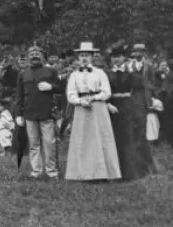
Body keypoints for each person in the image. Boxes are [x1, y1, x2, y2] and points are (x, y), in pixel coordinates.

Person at [64, 42, 121, 182]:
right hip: (82, 109)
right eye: (82, 55)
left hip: (98, 107)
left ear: (92, 57)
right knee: (83, 140)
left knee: (101, 138)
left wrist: (94, 98)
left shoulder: (100, 73)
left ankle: (103, 173)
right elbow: (70, 94)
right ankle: (83, 173)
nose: (84, 58)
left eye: (87, 55)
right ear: (78, 57)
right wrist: (80, 101)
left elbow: (107, 92)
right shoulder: (74, 75)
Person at [107, 43, 154, 181]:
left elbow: (141, 89)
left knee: (128, 138)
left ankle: (129, 171)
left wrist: (141, 106)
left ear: (124, 58)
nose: (116, 59)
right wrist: (107, 103)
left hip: (127, 107)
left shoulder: (131, 74)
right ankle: (113, 171)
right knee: (113, 137)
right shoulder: (106, 74)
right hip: (111, 107)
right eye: (113, 57)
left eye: (119, 56)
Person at [15, 46, 60, 179]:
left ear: (43, 56)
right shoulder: (23, 74)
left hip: (47, 112)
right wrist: (18, 114)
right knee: (33, 144)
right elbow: (19, 96)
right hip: (29, 113)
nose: (34, 56)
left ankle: (52, 171)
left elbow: (61, 87)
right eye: (31, 54)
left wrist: (51, 87)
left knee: (49, 143)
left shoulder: (51, 71)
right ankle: (36, 171)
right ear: (28, 57)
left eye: (37, 54)